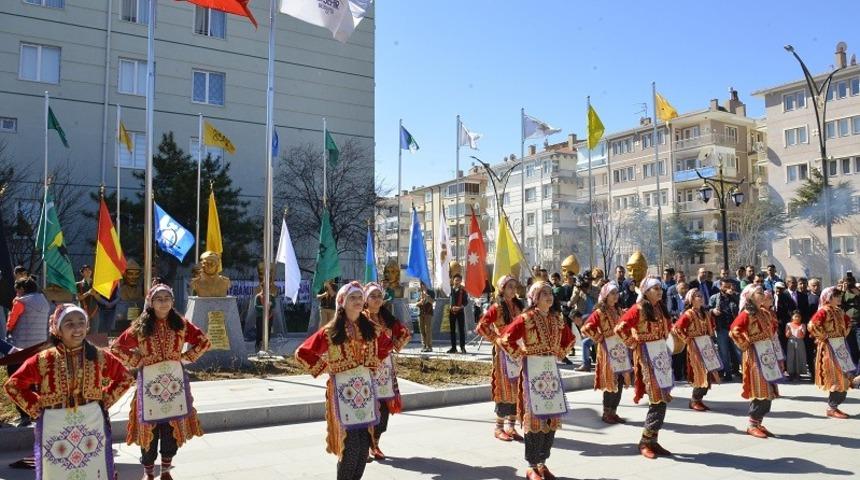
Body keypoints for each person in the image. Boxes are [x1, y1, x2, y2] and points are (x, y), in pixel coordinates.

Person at [4, 304, 133, 480]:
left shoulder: (98, 355)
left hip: (91, 425)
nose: (77, 328)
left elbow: (124, 378)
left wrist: (103, 401)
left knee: (93, 470)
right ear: (58, 329)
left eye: (81, 322)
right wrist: (38, 409)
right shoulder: (44, 359)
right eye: (69, 323)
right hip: (55, 427)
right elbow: (14, 385)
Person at [111, 284, 212, 480]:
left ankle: (165, 471)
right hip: (149, 385)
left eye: (167, 298)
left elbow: (204, 341)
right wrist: (137, 361)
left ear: (173, 301)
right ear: (151, 302)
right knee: (149, 429)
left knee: (170, 429)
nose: (164, 302)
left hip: (174, 384)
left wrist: (185, 358)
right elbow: (116, 348)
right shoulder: (141, 326)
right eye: (159, 298)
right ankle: (149, 472)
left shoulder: (181, 324)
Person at [294, 281, 393, 480]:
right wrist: (325, 367)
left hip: (365, 390)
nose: (357, 301)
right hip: (342, 391)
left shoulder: (371, 328)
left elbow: (387, 345)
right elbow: (302, 352)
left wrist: (372, 364)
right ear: (342, 302)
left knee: (364, 444)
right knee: (350, 446)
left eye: (359, 297)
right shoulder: (331, 330)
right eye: (352, 298)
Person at [497, 281, 574, 480]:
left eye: (550, 292)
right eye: (543, 293)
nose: (549, 296)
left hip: (551, 371)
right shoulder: (526, 318)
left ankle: (542, 462)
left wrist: (559, 353)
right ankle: (532, 466)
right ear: (534, 298)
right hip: (532, 371)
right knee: (535, 419)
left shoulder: (557, 319)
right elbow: (505, 339)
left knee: (551, 419)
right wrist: (521, 353)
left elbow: (570, 339)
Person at [615, 277, 674, 459]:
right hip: (647, 356)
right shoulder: (639, 308)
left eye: (660, 288)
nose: (659, 291)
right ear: (646, 291)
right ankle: (645, 440)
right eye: (655, 288)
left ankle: (653, 441)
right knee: (656, 400)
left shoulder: (661, 308)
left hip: (661, 355)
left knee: (662, 400)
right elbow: (620, 328)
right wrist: (634, 343)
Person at [363, 282, 411, 460]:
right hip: (366, 369)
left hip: (384, 371)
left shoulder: (388, 319)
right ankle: (365, 447)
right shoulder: (360, 318)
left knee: (382, 412)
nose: (376, 300)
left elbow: (405, 333)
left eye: (379, 296)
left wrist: (394, 345)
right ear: (366, 299)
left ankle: (375, 443)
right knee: (367, 408)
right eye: (372, 296)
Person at [476, 275, 524, 442]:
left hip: (518, 351)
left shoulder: (519, 306)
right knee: (505, 389)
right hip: (503, 353)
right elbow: (481, 326)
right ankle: (499, 427)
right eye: (509, 286)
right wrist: (495, 338)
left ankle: (511, 426)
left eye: (514, 286)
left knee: (517, 388)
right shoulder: (497, 307)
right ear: (502, 289)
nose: (513, 289)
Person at [730, 285, 780, 439]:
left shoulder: (765, 312)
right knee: (760, 389)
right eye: (759, 292)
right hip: (755, 355)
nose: (763, 294)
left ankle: (758, 422)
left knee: (769, 390)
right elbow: (734, 330)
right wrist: (747, 344)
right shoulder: (746, 314)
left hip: (767, 353)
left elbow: (772, 329)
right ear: (750, 297)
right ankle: (752, 424)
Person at [581, 283, 631, 424]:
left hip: (620, 349)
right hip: (607, 350)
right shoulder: (599, 313)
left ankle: (614, 412)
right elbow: (587, 328)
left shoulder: (619, 311)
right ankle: (606, 412)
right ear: (605, 296)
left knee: (620, 381)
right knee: (611, 381)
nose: (616, 296)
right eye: (612, 293)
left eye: (617, 293)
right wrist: (599, 338)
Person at [5, 276, 51, 427]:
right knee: (35, 381)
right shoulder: (44, 301)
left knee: (17, 381)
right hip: (39, 348)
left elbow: (10, 323)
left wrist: (8, 331)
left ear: (22, 289)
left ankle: (24, 415)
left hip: (20, 348)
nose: (16, 292)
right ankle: (38, 413)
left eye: (17, 289)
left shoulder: (20, 302)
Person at [808, 286, 854, 419]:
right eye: (836, 296)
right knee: (836, 377)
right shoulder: (824, 311)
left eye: (840, 295)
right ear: (829, 298)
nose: (839, 298)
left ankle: (833, 407)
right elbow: (812, 325)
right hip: (829, 348)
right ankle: (831, 407)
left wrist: (843, 333)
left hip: (840, 346)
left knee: (844, 377)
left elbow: (847, 322)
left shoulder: (838, 311)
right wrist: (825, 337)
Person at [674, 289, 720, 411]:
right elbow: (678, 328)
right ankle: (694, 400)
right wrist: (688, 339)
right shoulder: (688, 314)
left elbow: (711, 326)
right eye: (697, 296)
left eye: (701, 295)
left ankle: (698, 399)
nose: (700, 298)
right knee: (700, 373)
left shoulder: (704, 313)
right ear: (691, 299)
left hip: (705, 345)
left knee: (708, 372)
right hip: (695, 347)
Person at [709, 281, 740, 381]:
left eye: (729, 286)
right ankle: (727, 373)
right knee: (724, 352)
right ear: (720, 286)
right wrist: (713, 311)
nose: (727, 288)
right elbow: (707, 309)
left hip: (734, 328)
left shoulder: (735, 296)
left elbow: (740, 308)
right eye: (725, 286)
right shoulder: (714, 297)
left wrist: (734, 296)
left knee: (738, 350)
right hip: (721, 328)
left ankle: (739, 370)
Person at [840, 276, 860, 364]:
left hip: (859, 324)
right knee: (852, 348)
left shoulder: (857, 292)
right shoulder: (843, 294)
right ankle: (856, 371)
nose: (849, 284)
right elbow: (837, 304)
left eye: (851, 282)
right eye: (847, 282)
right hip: (848, 325)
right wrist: (843, 291)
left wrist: (856, 290)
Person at [785, 311, 808, 381]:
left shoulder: (803, 325)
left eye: (799, 316)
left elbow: (803, 336)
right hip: (791, 341)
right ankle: (791, 373)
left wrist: (801, 332)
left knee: (799, 357)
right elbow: (787, 335)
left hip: (799, 342)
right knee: (790, 357)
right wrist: (788, 332)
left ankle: (798, 373)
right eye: (796, 316)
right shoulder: (788, 324)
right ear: (792, 317)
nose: (797, 318)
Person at [448, 274, 468, 354]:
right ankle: (453, 348)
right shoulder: (450, 290)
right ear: (453, 281)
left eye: (458, 280)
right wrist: (451, 306)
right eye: (455, 280)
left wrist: (459, 307)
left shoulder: (463, 290)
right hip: (452, 312)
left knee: (461, 330)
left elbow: (466, 302)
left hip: (460, 312)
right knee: (452, 330)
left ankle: (462, 347)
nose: (457, 282)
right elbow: (448, 299)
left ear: (460, 281)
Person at [416, 283, 435, 352]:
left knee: (428, 330)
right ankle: (424, 345)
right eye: (422, 285)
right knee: (422, 330)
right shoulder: (419, 292)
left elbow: (432, 301)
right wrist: (420, 301)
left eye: (424, 284)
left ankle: (429, 346)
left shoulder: (431, 292)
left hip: (428, 313)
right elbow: (416, 304)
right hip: (420, 313)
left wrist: (426, 296)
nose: (423, 286)